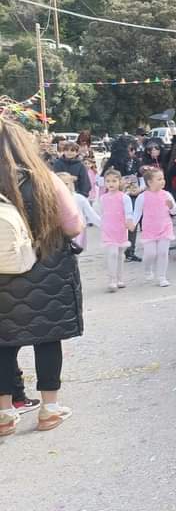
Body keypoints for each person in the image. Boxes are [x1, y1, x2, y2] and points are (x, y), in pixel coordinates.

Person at [0, 116, 85, 435]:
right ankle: (49, 408)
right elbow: (73, 226)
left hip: (2, 273)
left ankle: (4, 414)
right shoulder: (45, 179)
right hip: (47, 270)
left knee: (2, 344)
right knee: (47, 339)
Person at [133, 168, 176, 287]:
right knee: (150, 254)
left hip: (165, 228)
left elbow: (175, 211)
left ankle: (162, 277)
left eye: (163, 178)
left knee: (163, 253)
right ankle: (147, 269)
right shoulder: (142, 197)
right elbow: (137, 214)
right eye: (159, 179)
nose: (163, 181)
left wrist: (171, 207)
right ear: (149, 182)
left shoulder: (167, 194)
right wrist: (131, 225)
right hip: (149, 230)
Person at [103, 136, 143, 262]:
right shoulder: (112, 163)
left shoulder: (136, 161)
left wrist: (140, 189)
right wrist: (117, 185)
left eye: (134, 149)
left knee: (132, 223)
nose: (133, 152)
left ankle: (130, 251)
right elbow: (101, 180)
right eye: (130, 149)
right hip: (116, 198)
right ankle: (118, 248)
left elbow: (142, 179)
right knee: (118, 224)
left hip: (133, 196)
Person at [95, 169, 136, 291]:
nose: (111, 184)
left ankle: (119, 278)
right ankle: (112, 280)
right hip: (108, 229)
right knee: (112, 254)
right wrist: (101, 224)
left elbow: (129, 212)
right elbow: (100, 212)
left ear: (119, 181)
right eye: (108, 181)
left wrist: (129, 222)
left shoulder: (124, 197)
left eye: (114, 181)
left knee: (120, 255)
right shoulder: (103, 198)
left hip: (120, 229)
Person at [55, 172, 100, 251]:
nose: (64, 187)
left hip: (78, 231)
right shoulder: (54, 200)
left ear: (72, 184)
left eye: (66, 184)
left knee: (76, 251)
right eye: (60, 184)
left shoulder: (79, 198)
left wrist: (104, 226)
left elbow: (91, 214)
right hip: (61, 232)